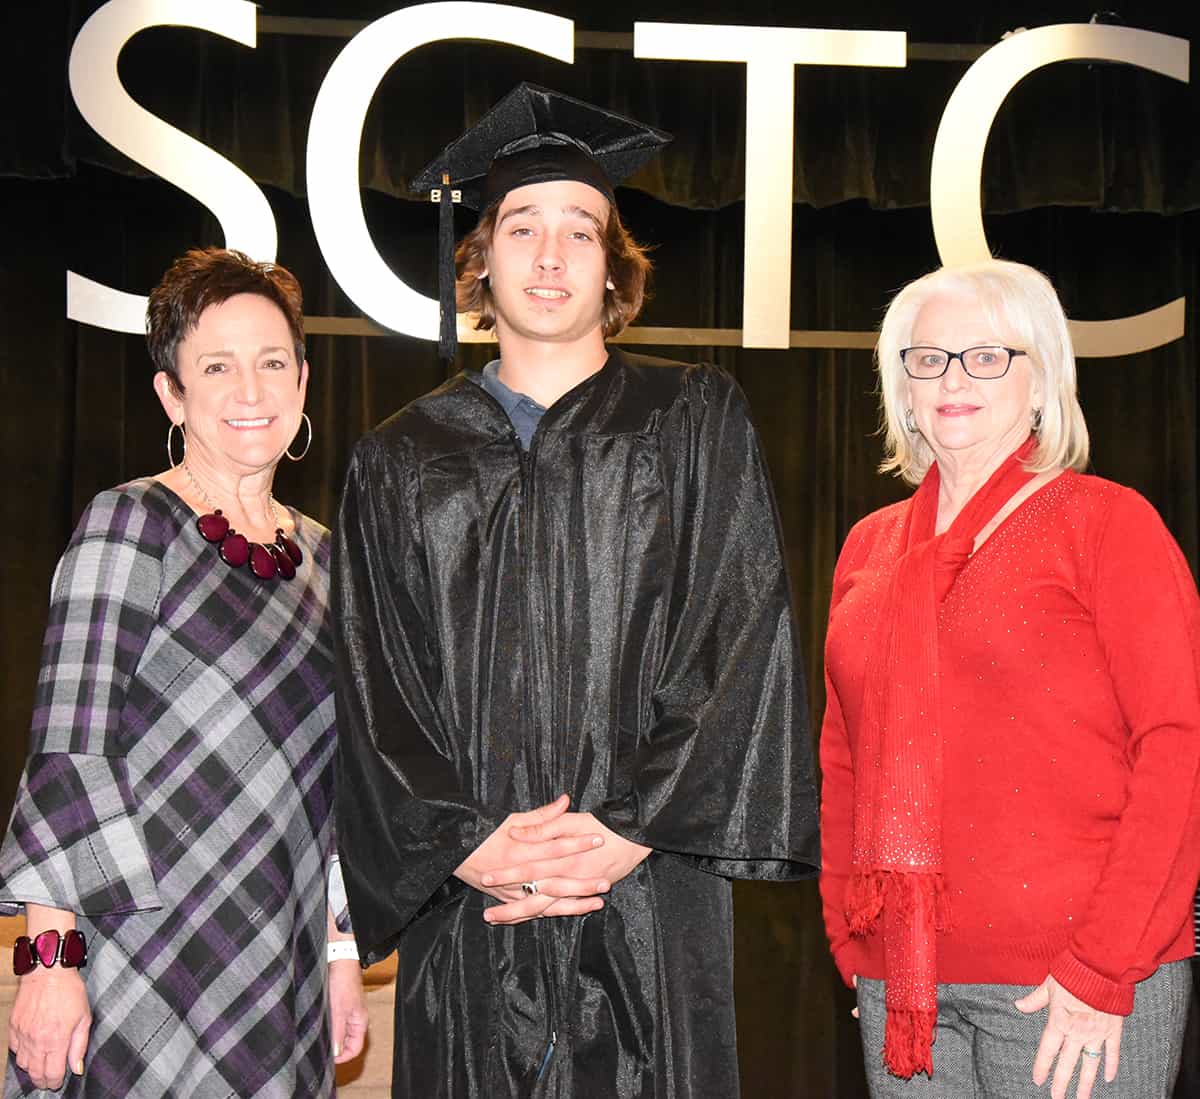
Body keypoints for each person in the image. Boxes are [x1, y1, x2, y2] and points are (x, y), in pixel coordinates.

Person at [334, 83, 820, 1098]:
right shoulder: (399, 459)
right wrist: (466, 844)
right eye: (522, 227)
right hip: (475, 904)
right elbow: (378, 683)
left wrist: (628, 828)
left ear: (613, 268)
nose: (550, 256)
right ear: (479, 259)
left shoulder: (693, 421)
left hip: (646, 890)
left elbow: (738, 636)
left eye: (580, 231)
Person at [818, 258, 1200, 1099]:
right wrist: (853, 942)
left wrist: (1103, 966)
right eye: (929, 358)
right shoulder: (868, 548)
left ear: (1040, 382)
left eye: (987, 356)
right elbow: (846, 758)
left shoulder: (1107, 524)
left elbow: (1179, 751)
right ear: (903, 385)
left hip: (1077, 984)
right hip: (904, 985)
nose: (954, 378)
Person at [0, 248, 367, 1097]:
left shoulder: (326, 559)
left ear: (304, 380)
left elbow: (340, 788)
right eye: (217, 365)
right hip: (135, 962)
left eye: (272, 362)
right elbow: (68, 754)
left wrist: (340, 952)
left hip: (277, 968)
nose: (250, 390)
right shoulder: (129, 524)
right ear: (173, 392)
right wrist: (49, 961)